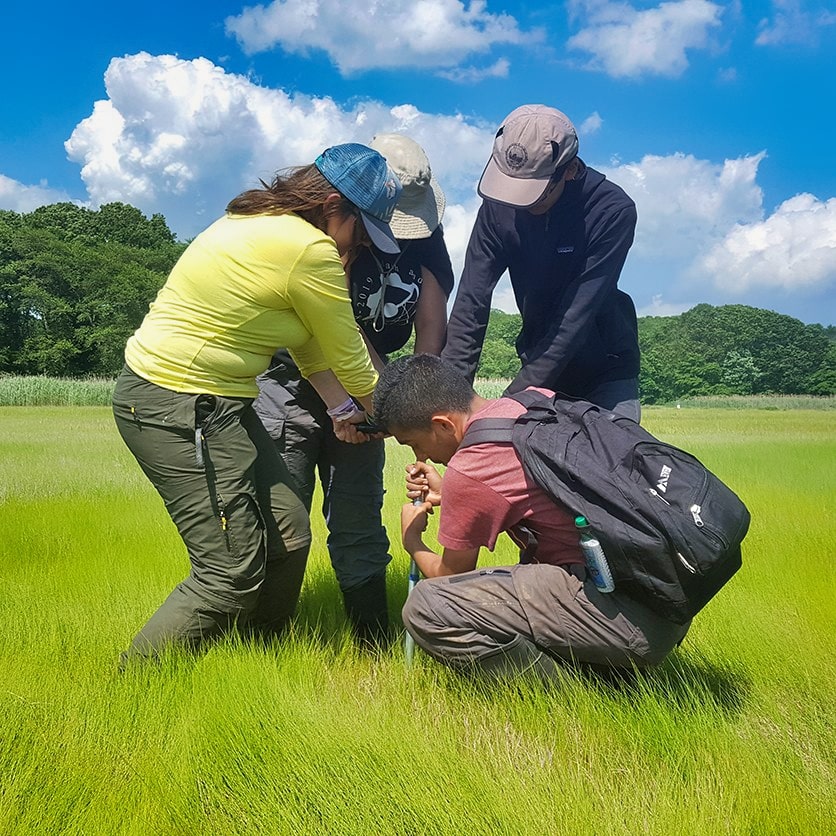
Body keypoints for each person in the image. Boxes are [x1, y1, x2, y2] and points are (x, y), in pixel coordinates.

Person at [112, 144, 402, 662]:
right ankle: (130, 692)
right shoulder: (307, 249)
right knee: (228, 574)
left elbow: (308, 344)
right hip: (176, 403)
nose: (359, 246)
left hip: (220, 404)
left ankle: (259, 658)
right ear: (333, 205)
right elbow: (354, 363)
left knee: (288, 536)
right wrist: (410, 423)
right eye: (362, 230)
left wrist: (342, 412)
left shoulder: (254, 218)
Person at [373, 354, 689, 679]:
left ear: (442, 424)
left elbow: (448, 576)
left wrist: (412, 540)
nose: (420, 456)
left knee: (428, 607)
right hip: (664, 594)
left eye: (413, 443)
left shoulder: (472, 467)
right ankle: (607, 663)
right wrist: (449, 492)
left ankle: (588, 690)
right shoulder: (531, 403)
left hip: (627, 619)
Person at [253, 134, 454, 644]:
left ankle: (371, 640)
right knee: (283, 512)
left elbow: (431, 330)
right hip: (295, 382)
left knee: (358, 515)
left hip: (372, 391)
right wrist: (373, 401)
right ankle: (262, 638)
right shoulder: (335, 229)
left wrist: (416, 411)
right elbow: (333, 328)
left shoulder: (429, 239)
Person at [442, 104, 642, 423]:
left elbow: (573, 319)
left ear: (571, 170)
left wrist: (506, 406)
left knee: (607, 467)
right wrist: (450, 399)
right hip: (537, 357)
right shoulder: (498, 205)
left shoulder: (611, 211)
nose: (518, 202)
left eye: (533, 192)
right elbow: (471, 302)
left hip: (604, 370)